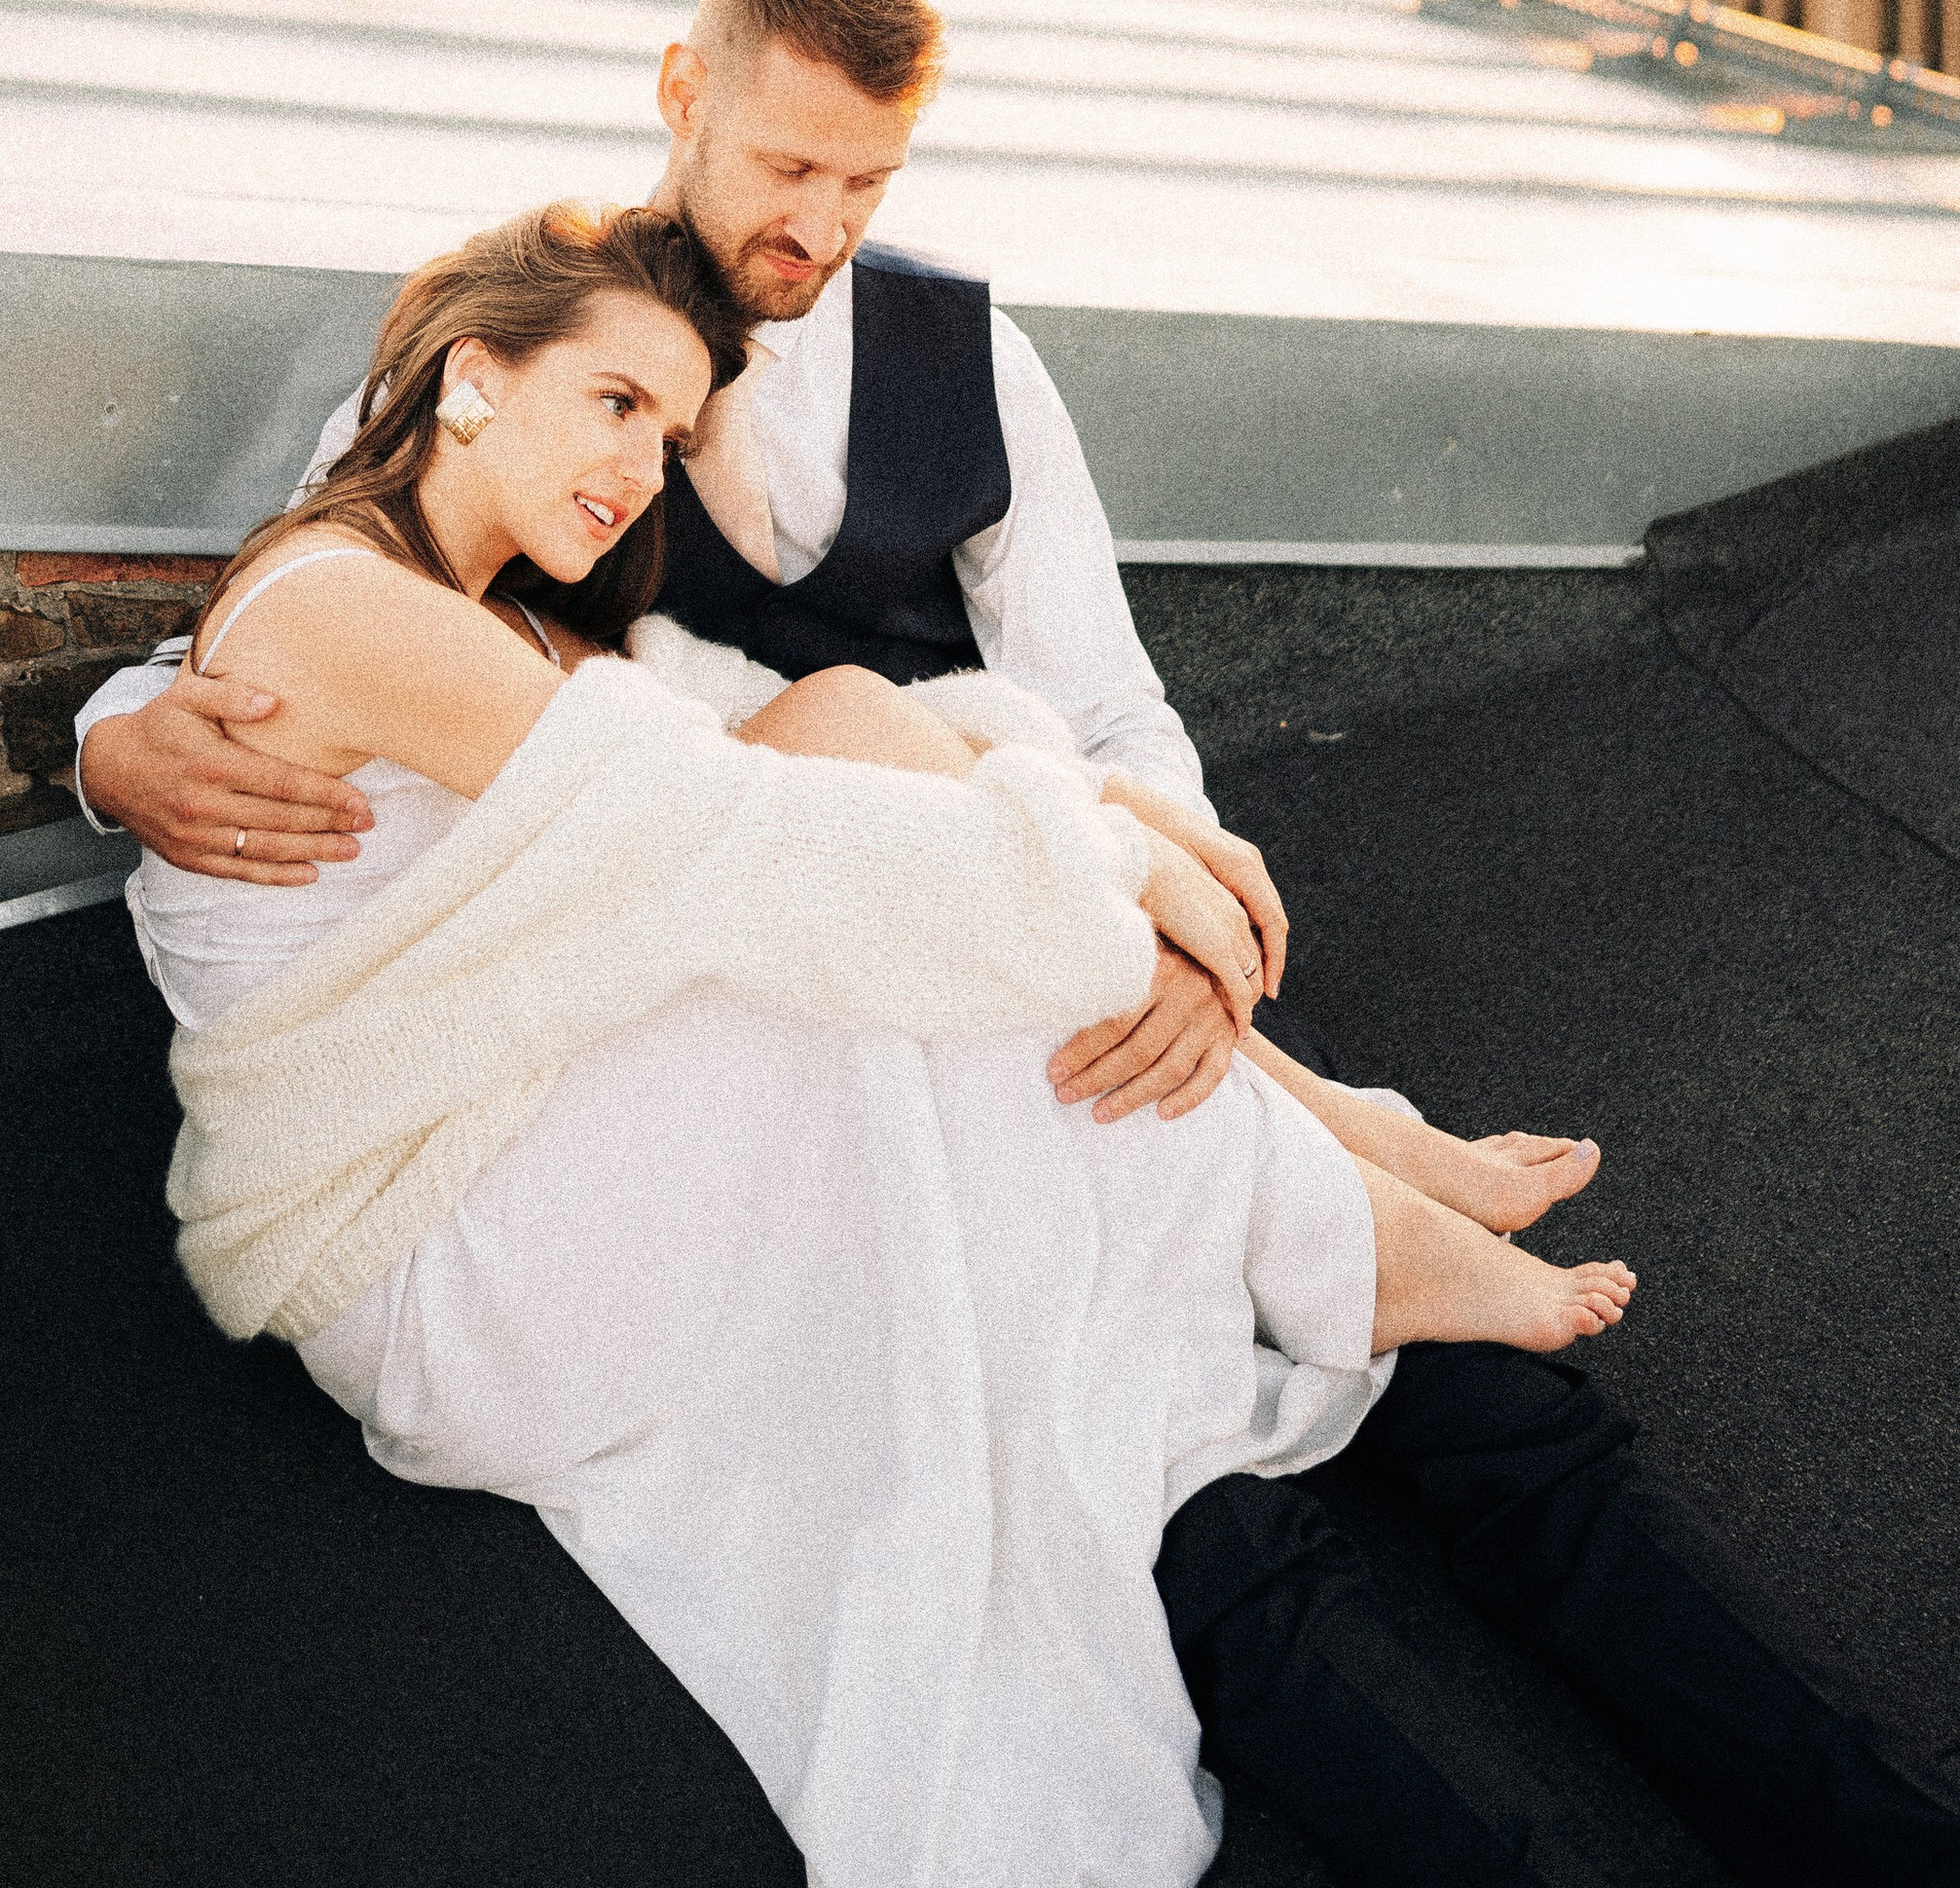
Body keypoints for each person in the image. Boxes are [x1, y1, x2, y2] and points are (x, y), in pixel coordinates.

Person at [82, 0, 1960, 1887]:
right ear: (679, 94)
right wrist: (113, 745)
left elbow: (1101, 700)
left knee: (1479, 1415)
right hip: (835, 963)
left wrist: (1156, 912)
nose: (814, 222)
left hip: (971, 908)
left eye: (864, 182)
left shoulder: (960, 360)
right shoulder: (546, 343)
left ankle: (1868, 1828)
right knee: (1159, 1439)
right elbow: (296, 614)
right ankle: (1338, 1206)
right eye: (782, 166)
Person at [148, 198, 1638, 1888]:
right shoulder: (356, 607)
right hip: (426, 1254)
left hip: (495, 1133)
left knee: (869, 753)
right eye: (616, 405)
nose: (643, 472)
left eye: (676, 431)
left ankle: (1321, 1156)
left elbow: (791, 741)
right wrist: (1121, 868)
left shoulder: (509, 621)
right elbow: (732, 835)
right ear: (474, 380)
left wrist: (1090, 806)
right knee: (893, 967)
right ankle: (1326, 1209)